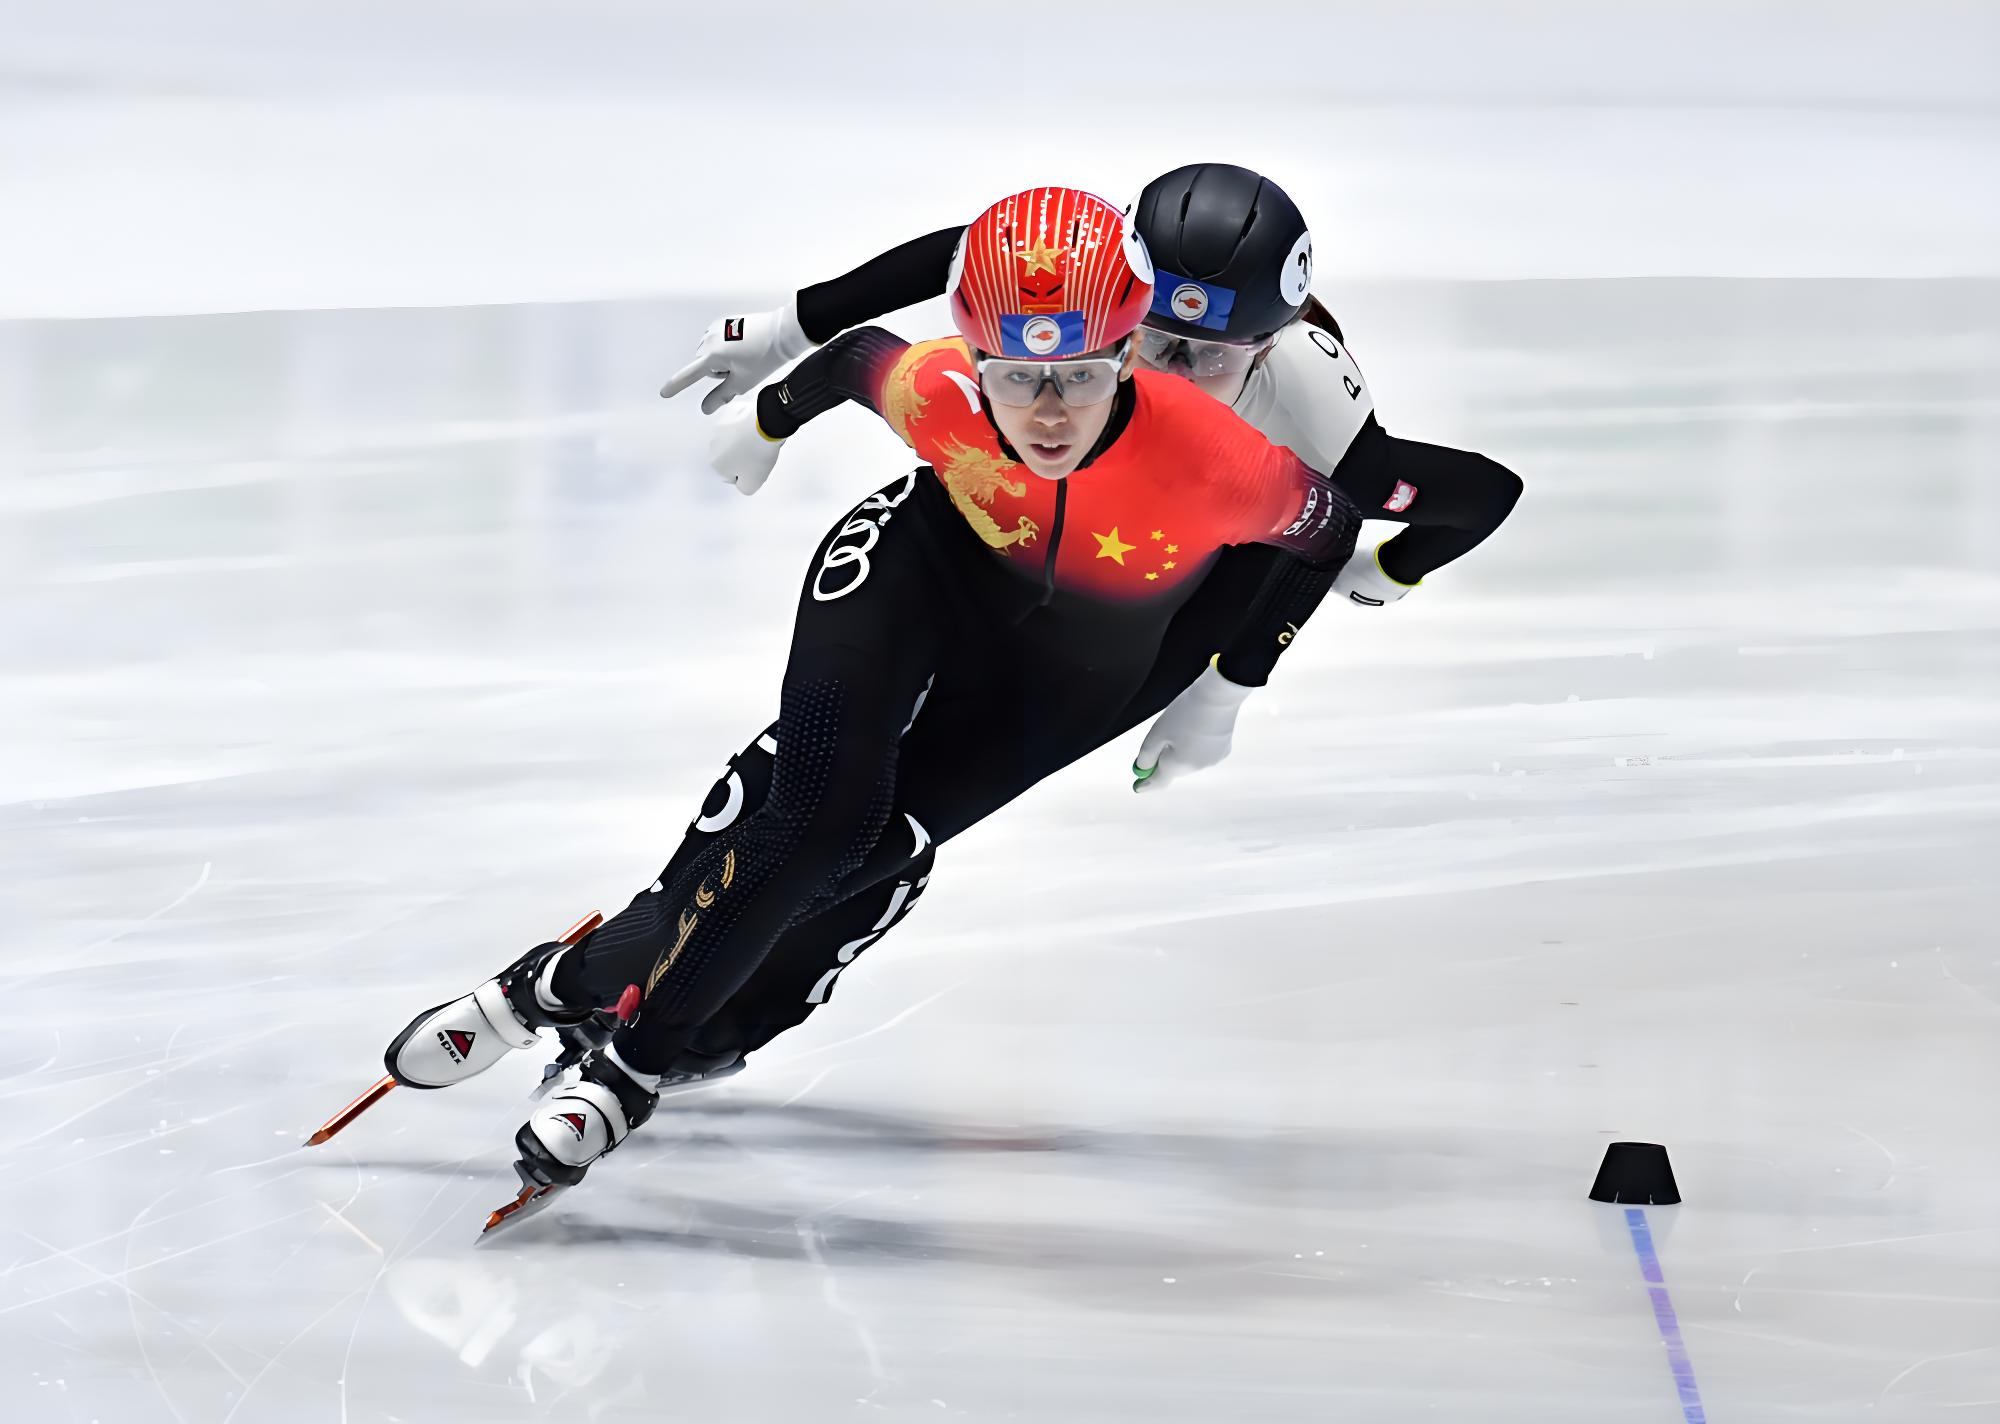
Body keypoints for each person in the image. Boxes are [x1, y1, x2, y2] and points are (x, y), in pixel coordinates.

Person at [365, 186, 1376, 1224]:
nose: (1046, 413)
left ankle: (544, 988)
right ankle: (624, 1075)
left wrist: (1228, 682)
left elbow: (1328, 527)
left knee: (865, 854)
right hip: (915, 574)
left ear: (1124, 355)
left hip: (1069, 672)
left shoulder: (1222, 460)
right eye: (1014, 379)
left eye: (1077, 376)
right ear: (973, 364)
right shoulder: (935, 387)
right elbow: (852, 362)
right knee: (818, 821)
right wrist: (764, 418)